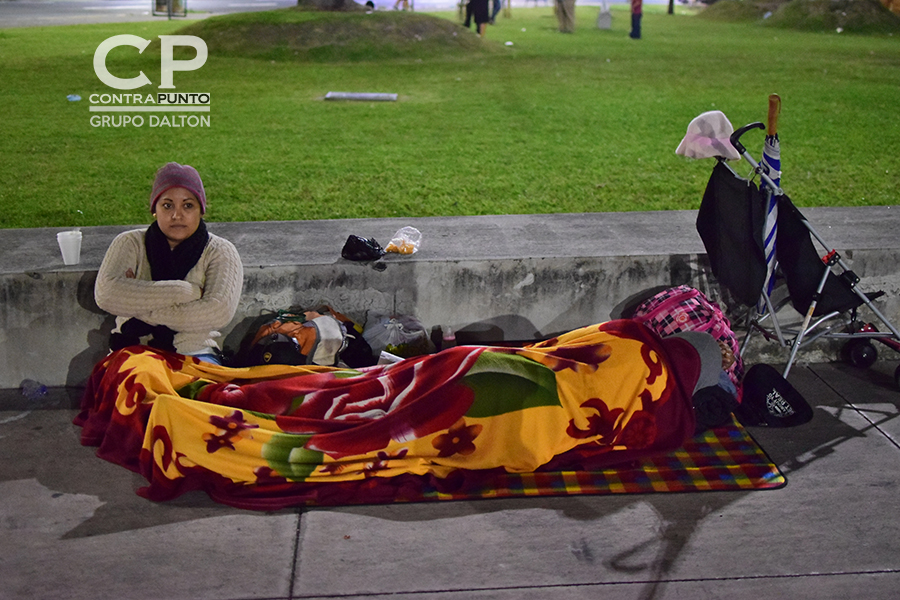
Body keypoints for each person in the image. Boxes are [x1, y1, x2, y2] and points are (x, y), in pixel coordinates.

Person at [94, 162, 243, 365]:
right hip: (131, 350)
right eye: (167, 205)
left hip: (195, 351)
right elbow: (107, 295)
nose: (177, 215)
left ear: (201, 210)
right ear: (154, 209)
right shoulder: (129, 243)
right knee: (136, 392)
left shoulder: (219, 251)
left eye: (188, 205)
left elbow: (218, 312)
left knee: (196, 396)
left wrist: (135, 305)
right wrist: (186, 293)